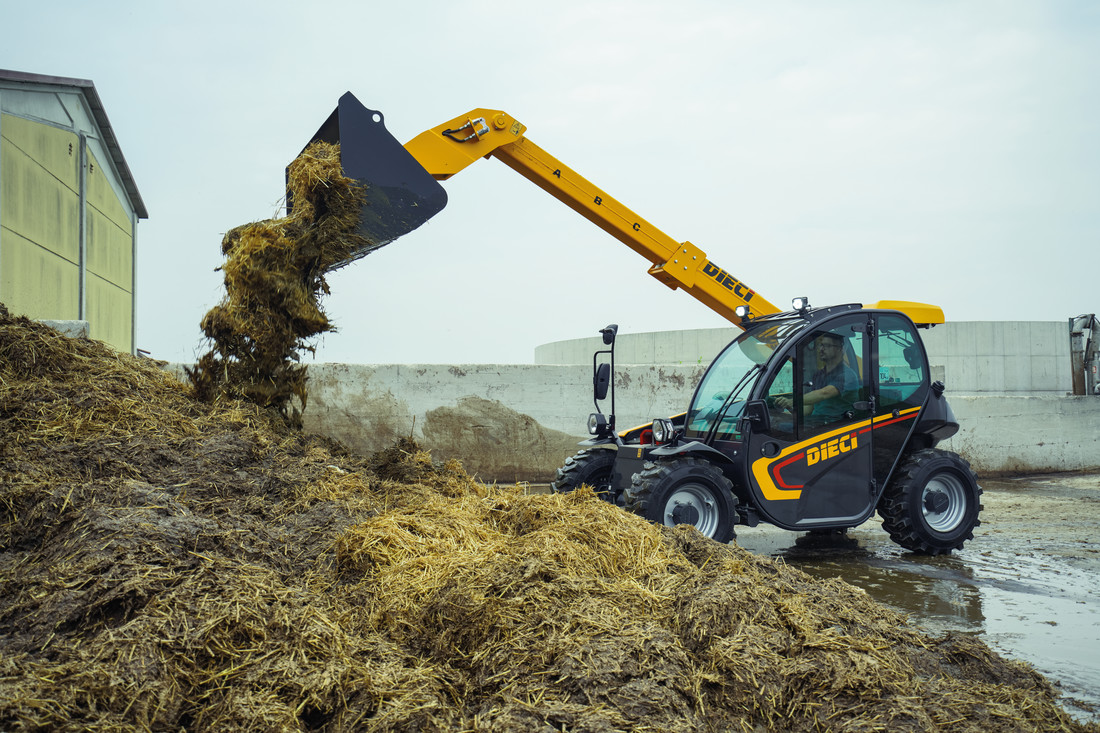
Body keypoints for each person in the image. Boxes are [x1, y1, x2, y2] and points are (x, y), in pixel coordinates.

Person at [774, 332, 859, 424]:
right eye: (821, 345)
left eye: (827, 346)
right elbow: (809, 408)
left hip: (835, 424)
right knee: (779, 424)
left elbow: (824, 393)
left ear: (840, 349)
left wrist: (792, 401)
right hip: (817, 421)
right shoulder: (818, 375)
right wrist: (785, 413)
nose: (821, 349)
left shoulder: (847, 375)